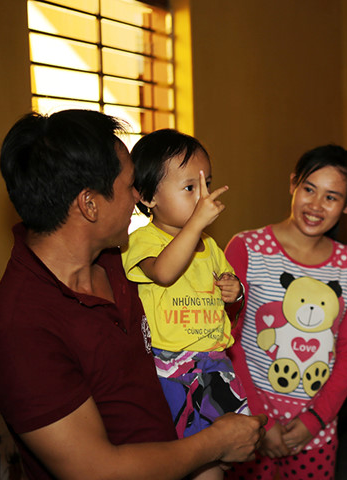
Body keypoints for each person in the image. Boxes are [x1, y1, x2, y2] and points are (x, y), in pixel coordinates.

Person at [0, 110, 266, 480]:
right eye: (131, 185)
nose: (139, 197)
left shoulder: (118, 261)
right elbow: (95, 471)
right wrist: (215, 443)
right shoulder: (18, 329)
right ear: (89, 204)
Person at [224, 144, 347, 479]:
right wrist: (262, 420)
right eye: (309, 189)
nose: (316, 205)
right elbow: (227, 341)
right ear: (293, 184)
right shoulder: (246, 248)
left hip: (315, 431)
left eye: (332, 197)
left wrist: (314, 420)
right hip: (249, 423)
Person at [121, 129, 249, 480]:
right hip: (168, 368)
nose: (202, 197)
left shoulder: (209, 246)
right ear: (148, 196)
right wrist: (195, 226)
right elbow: (163, 272)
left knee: (221, 452)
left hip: (212, 362)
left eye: (207, 185)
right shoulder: (142, 240)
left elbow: (232, 296)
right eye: (190, 187)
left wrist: (233, 290)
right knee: (180, 454)